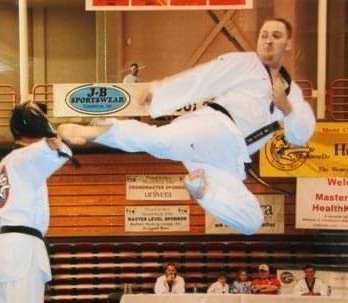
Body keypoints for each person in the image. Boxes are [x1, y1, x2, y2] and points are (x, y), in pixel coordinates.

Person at [58, 17, 315, 235]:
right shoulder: (246, 63)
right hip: (213, 128)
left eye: (276, 36)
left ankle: (201, 192)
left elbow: (300, 135)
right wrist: (159, 92)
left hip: (227, 160)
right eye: (264, 35)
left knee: (252, 221)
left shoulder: (292, 93)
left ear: (288, 43)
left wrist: (286, 107)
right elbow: (202, 78)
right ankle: (99, 129)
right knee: (160, 142)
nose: (268, 41)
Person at [0, 101, 75, 303]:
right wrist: (57, 131)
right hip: (22, 248)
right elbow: (60, 149)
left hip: (5, 248)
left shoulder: (7, 163)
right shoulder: (25, 157)